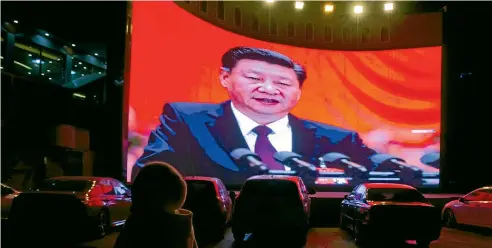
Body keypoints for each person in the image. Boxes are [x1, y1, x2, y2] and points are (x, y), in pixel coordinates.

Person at [131, 46, 407, 186]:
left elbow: (383, 172)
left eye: (283, 84)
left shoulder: (335, 138)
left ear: (298, 92)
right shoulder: (185, 120)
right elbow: (151, 173)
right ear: (225, 78)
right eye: (254, 78)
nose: (268, 89)